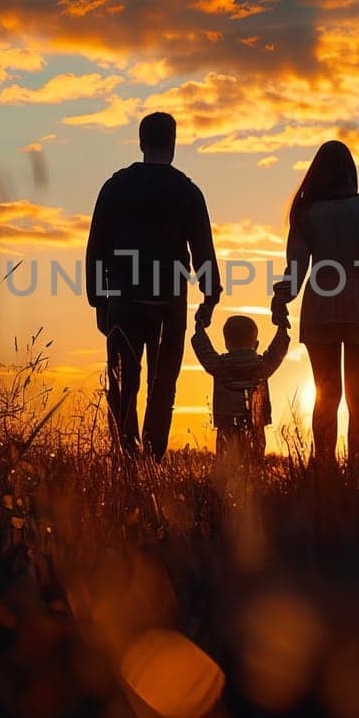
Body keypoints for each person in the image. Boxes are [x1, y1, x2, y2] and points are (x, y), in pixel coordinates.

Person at [86, 111, 221, 459]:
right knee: (163, 384)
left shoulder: (114, 186)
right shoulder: (187, 191)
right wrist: (210, 295)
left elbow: (96, 244)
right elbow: (202, 247)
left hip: (123, 299)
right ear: (173, 144)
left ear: (142, 142)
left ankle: (128, 457)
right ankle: (153, 457)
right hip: (168, 302)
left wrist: (97, 300)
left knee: (122, 383)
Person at [272, 140, 359, 474]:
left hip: (319, 313)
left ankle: (324, 470)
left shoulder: (306, 214)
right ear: (351, 172)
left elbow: (295, 272)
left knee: (326, 394)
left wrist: (281, 299)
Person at [191, 313, 290, 466]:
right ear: (256, 344)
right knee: (255, 463)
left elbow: (205, 352)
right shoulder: (262, 367)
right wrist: (282, 330)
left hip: (226, 423)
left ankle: (227, 487)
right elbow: (277, 352)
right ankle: (253, 485)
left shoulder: (219, 366)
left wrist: (200, 331)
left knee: (226, 462)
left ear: (227, 344)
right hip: (255, 423)